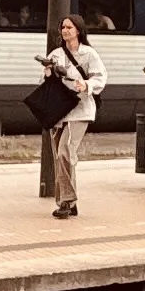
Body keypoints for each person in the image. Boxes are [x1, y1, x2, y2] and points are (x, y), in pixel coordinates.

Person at [38, 15, 105, 220]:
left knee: (65, 150)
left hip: (80, 108)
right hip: (59, 110)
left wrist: (86, 85)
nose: (65, 30)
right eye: (63, 27)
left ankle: (65, 201)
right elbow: (42, 82)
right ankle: (71, 202)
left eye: (69, 27)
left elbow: (100, 77)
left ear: (78, 30)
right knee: (60, 156)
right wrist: (48, 73)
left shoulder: (89, 54)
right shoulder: (56, 54)